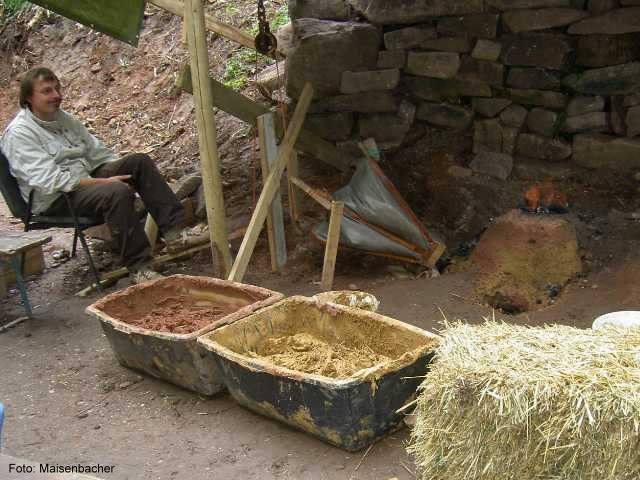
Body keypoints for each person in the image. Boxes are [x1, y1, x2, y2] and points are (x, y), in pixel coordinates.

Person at [0, 67, 187, 283]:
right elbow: (52, 181)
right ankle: (140, 267)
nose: (57, 96)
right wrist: (105, 182)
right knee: (114, 191)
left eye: (58, 89)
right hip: (56, 197)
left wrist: (119, 171)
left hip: (83, 179)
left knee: (138, 162)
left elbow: (98, 153)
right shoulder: (20, 133)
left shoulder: (63, 118)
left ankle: (176, 234)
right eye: (47, 91)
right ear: (29, 98)